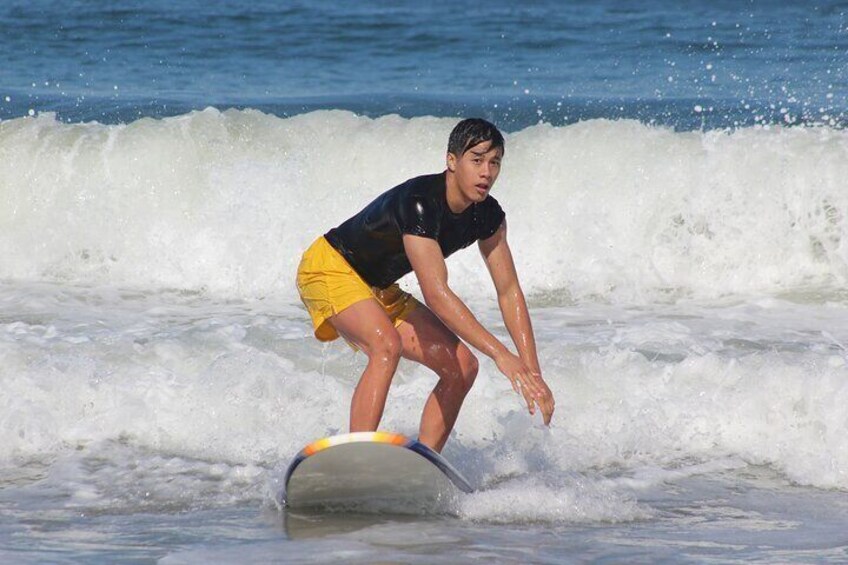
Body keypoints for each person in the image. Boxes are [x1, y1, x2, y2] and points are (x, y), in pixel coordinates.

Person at [296, 118, 555, 452]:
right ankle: (355, 456)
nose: (486, 172)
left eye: (495, 163)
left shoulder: (488, 216)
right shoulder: (421, 202)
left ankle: (425, 463)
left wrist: (533, 375)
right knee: (385, 345)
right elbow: (436, 293)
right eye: (476, 160)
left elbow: (508, 292)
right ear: (451, 161)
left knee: (462, 367)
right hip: (330, 267)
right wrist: (501, 355)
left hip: (378, 287)